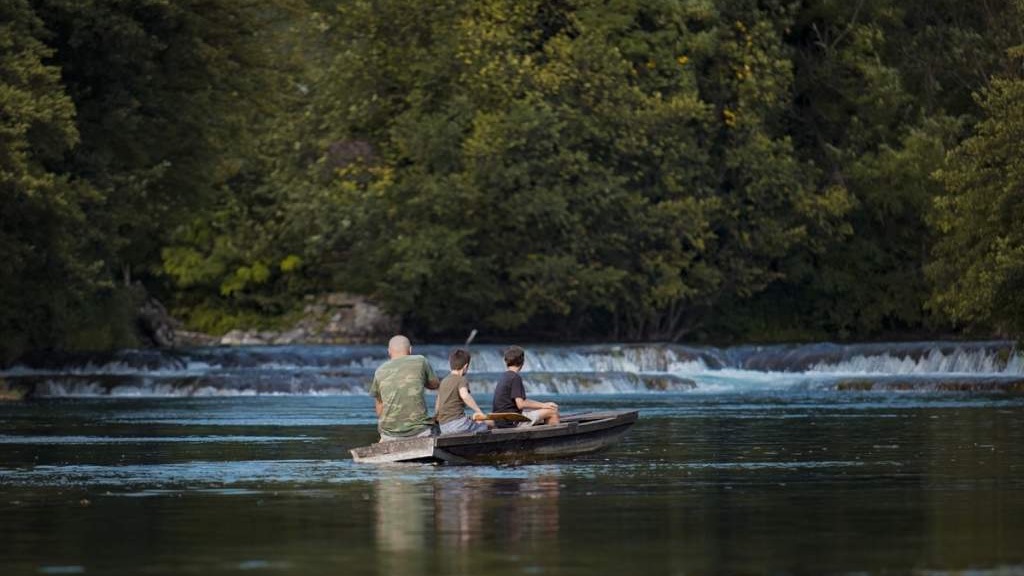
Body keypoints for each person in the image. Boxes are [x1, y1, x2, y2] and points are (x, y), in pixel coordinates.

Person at [370, 334, 440, 442]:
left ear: (389, 351)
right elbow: (435, 385)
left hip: (389, 433)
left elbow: (379, 406)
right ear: (410, 350)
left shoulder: (379, 370)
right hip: (420, 431)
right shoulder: (420, 361)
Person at [491, 345, 559, 427]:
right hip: (513, 421)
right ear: (522, 361)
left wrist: (541, 405)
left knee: (540, 410)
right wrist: (544, 405)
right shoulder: (515, 378)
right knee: (552, 411)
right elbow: (521, 404)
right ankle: (553, 438)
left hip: (500, 421)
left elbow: (518, 403)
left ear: (505, 361)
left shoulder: (504, 376)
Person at [434, 348, 491, 435]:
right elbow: (465, 396)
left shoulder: (443, 381)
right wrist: (479, 412)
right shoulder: (461, 380)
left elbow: (437, 405)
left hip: (443, 427)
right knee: (485, 425)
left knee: (471, 421)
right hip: (459, 425)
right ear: (465, 366)